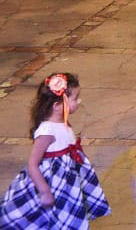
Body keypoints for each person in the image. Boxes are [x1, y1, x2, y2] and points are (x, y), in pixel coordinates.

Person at [0, 73, 109, 228]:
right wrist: (44, 191)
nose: (79, 101)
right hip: (52, 182)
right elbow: (32, 164)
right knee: (47, 217)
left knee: (65, 214)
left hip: (67, 181)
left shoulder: (62, 122)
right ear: (57, 106)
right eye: (75, 98)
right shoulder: (47, 131)